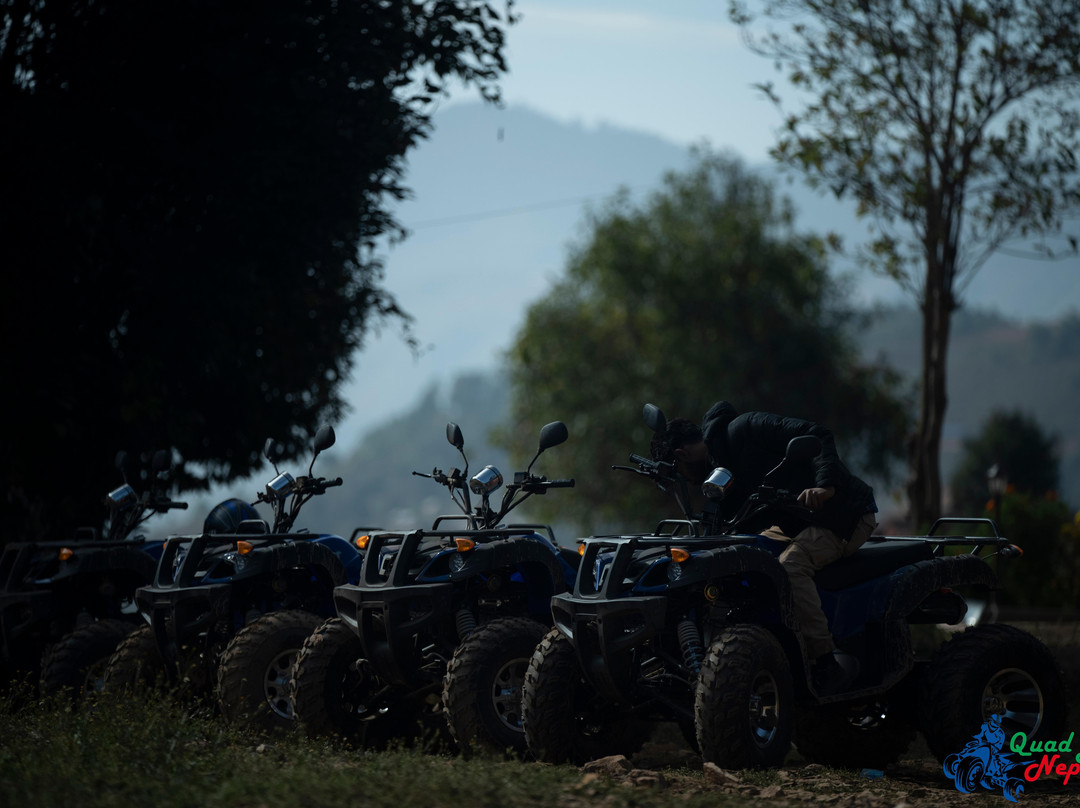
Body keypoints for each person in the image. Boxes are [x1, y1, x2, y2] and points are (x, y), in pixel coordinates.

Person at [650, 401, 878, 695]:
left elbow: (817, 434)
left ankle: (826, 661)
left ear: (681, 454)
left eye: (678, 470)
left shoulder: (745, 429)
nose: (686, 480)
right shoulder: (719, 471)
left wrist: (826, 486)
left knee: (790, 568)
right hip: (795, 524)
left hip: (842, 517)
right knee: (741, 556)